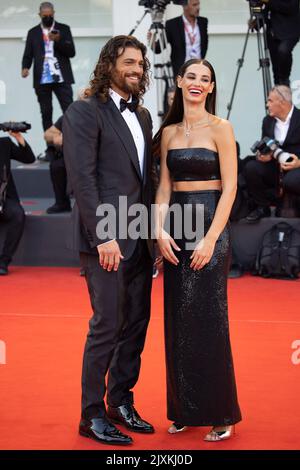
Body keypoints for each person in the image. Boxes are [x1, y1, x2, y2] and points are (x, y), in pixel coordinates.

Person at [63, 35, 155, 446]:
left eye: (140, 63)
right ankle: (91, 413)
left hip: (139, 236)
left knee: (135, 325)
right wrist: (104, 236)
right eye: (128, 62)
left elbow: (144, 181)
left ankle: (120, 401)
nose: (136, 69)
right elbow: (83, 180)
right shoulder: (84, 112)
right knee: (107, 325)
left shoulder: (144, 116)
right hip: (107, 240)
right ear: (109, 64)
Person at [154, 58, 242, 441]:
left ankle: (222, 413)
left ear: (210, 88)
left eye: (205, 79)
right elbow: (163, 189)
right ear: (180, 81)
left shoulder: (221, 128)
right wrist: (157, 229)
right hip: (176, 229)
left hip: (211, 229)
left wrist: (210, 238)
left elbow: (231, 188)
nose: (197, 83)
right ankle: (185, 408)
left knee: (209, 320)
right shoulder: (169, 132)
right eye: (191, 76)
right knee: (178, 322)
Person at [22, 2, 75, 159]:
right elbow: (28, 54)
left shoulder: (64, 29)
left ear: (54, 13)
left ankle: (71, 145)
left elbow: (71, 52)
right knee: (46, 113)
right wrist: (25, 67)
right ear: (39, 15)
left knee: (70, 111)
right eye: (44, 15)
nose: (47, 17)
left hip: (61, 77)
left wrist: (58, 40)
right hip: (42, 78)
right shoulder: (33, 32)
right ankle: (51, 149)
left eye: (50, 15)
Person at [244, 85, 300, 222]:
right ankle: (263, 207)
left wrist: (299, 162)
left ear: (282, 102)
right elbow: (266, 146)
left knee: (291, 180)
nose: (267, 104)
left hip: (296, 167)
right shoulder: (267, 121)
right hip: (275, 167)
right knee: (251, 167)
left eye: (270, 101)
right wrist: (264, 156)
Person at [0, 132, 35, 275]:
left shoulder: (4, 144)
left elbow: (29, 158)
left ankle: (3, 261)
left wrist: (19, 138)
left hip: (4, 198)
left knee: (18, 215)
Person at [160, 0, 208, 78]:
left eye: (198, 4)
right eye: (194, 5)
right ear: (185, 6)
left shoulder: (203, 22)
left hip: (199, 69)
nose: (198, 8)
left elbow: (204, 44)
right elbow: (160, 47)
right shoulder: (172, 24)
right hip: (180, 71)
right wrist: (153, 40)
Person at [263, 0, 300, 86]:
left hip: (289, 31)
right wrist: (259, 22)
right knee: (276, 70)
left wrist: (268, 1)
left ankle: (284, 83)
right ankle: (278, 94)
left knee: (283, 51)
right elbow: (268, 10)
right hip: (273, 33)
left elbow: (291, 8)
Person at [44, 115, 71, 213]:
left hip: (91, 154)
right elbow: (47, 134)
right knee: (57, 165)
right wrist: (56, 137)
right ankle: (62, 203)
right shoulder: (69, 116)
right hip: (72, 155)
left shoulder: (96, 115)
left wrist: (67, 138)